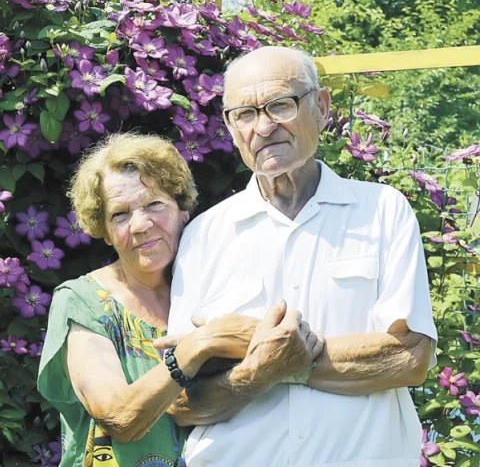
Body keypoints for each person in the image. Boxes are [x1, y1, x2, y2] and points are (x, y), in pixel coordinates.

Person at [161, 46, 438, 467]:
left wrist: (261, 353)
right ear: (231, 128)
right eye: (245, 114)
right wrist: (262, 367)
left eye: (280, 105)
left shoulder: (383, 210)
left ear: (321, 107)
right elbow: (182, 401)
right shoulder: (204, 235)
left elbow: (408, 357)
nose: (264, 127)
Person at [37, 133, 286, 466]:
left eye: (154, 205)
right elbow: (118, 417)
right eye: (120, 215)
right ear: (105, 231)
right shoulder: (82, 302)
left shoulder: (213, 289)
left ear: (183, 209)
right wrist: (198, 346)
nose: (140, 225)